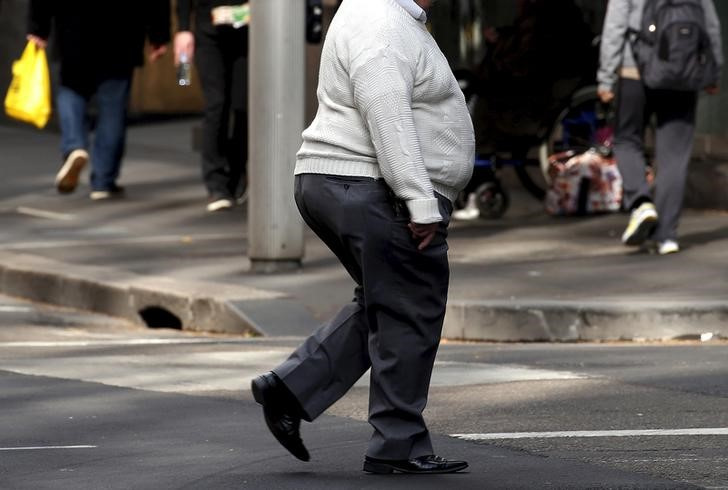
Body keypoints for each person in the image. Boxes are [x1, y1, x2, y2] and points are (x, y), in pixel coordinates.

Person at [250, 0, 474, 475]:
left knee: (386, 300)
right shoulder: (381, 18)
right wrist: (419, 201)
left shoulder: (383, 15)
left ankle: (291, 388)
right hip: (369, 185)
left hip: (349, 183)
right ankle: (398, 444)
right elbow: (386, 113)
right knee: (410, 308)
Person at [598, 0, 723, 254]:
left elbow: (615, 25)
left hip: (635, 70)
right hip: (682, 72)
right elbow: (711, 26)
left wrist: (607, 78)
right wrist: (713, 72)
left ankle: (641, 202)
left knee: (626, 140)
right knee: (674, 156)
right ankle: (667, 236)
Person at [27, 0, 170, 200]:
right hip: (121, 33)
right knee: (113, 106)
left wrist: (38, 27)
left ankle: (74, 145)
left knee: (71, 92)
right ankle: (103, 181)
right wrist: (159, 33)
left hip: (74, 31)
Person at [175, 1, 249, 213]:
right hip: (207, 33)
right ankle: (216, 184)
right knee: (216, 104)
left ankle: (237, 173)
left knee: (242, 106)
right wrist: (183, 29)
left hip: (247, 33)